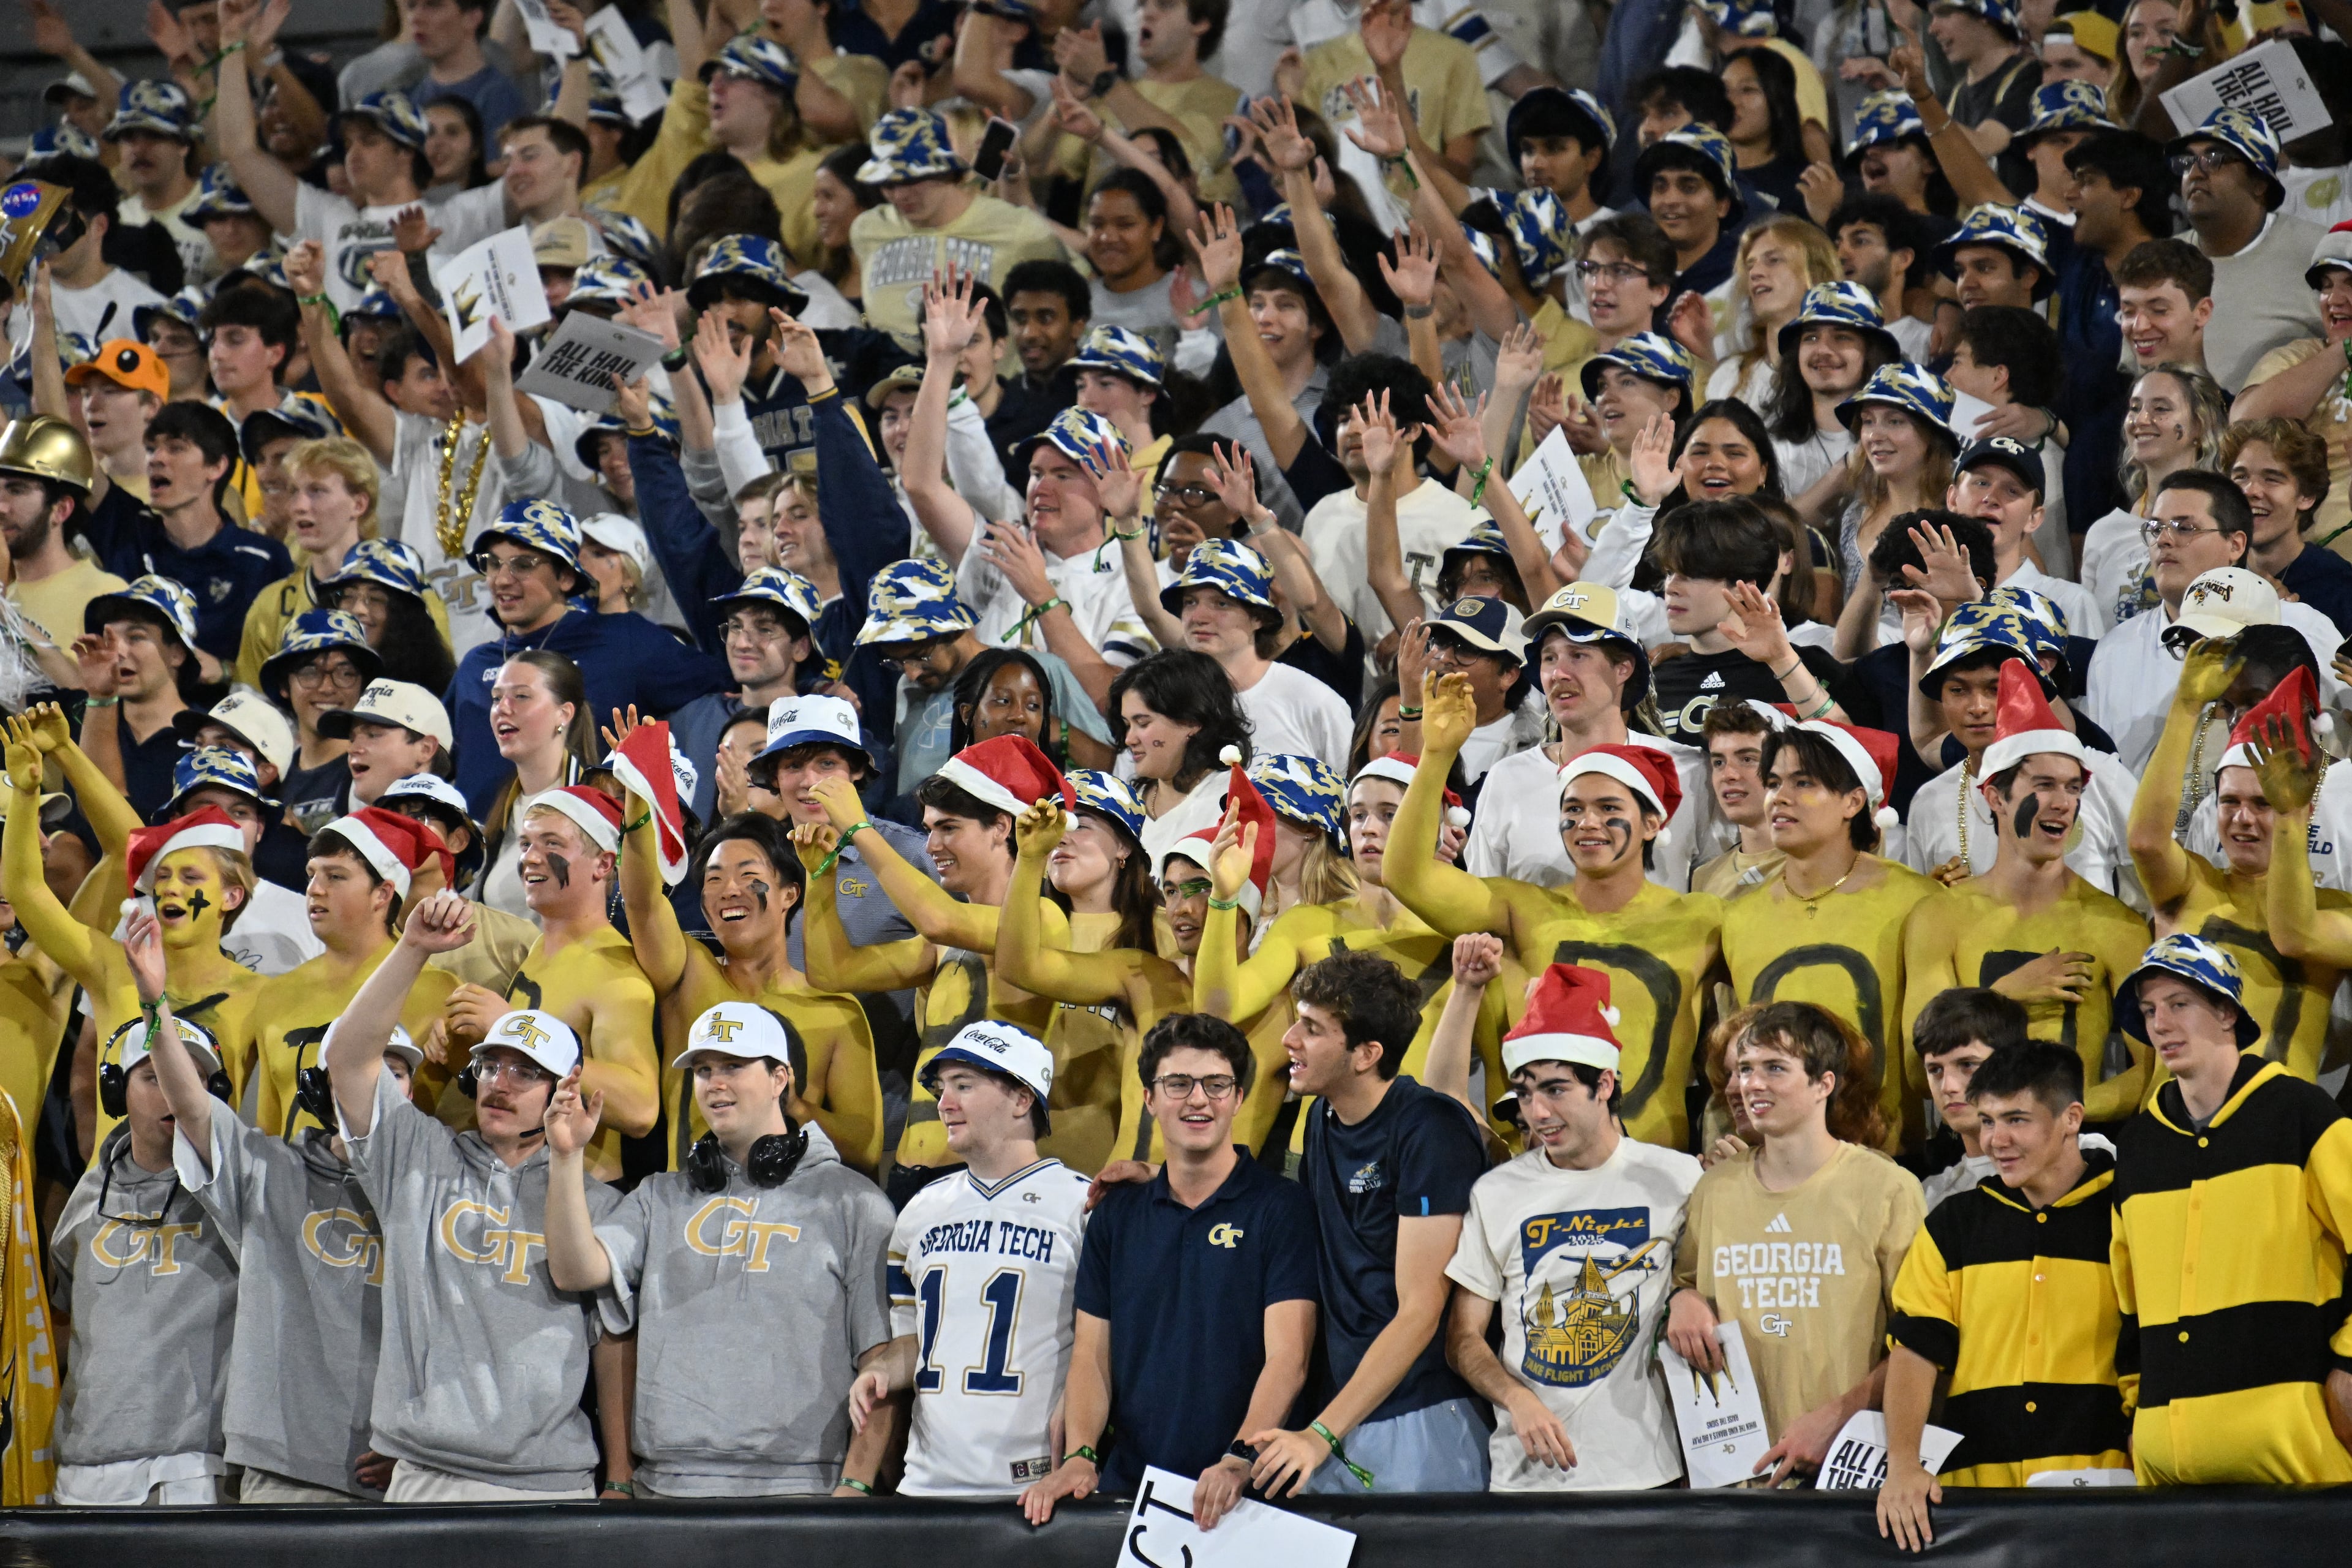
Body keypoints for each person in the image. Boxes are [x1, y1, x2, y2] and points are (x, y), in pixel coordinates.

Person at [323, 894, 621, 1502]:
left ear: (563, 1091)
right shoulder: (418, 1157)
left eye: (525, 1072)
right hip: (423, 1476)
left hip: (548, 1486)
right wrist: (412, 949)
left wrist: (619, 1475)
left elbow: (614, 1341)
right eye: (490, 1066)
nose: (500, 1084)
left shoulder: (602, 1204)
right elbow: (348, 1058)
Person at [540, 1000, 895, 1498]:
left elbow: (882, 1358)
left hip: (803, 1492)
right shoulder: (658, 1197)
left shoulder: (854, 1202)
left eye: (733, 1066)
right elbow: (576, 1271)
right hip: (665, 1490)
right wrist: (565, 1155)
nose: (714, 1083)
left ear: (780, 1079)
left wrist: (855, 1487)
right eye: (704, 1070)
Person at [145, 888, 430, 1503]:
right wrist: (153, 1005)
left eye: (399, 1069)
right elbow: (191, 1106)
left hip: (403, 1471)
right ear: (325, 1084)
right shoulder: (267, 1169)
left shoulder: (437, 1185)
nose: (384, 1080)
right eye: (373, 1063)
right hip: (287, 1472)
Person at [1389, 673, 1723, 1151]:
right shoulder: (1523, 908)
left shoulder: (1704, 919)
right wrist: (1437, 756)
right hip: (1536, 1172)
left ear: (1652, 823)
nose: (1588, 823)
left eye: (1609, 808)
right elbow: (1408, 876)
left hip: (1656, 1180)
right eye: (1574, 808)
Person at [1018, 1012, 1317, 1525]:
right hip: (1131, 1493)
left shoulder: (1281, 1208)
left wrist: (1238, 1458)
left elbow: (1289, 1359)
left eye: (1217, 1084)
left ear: (1239, 1098)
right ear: (1150, 1098)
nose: (1198, 1099)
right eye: (1178, 1084)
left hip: (1245, 1497)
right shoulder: (1116, 1214)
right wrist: (1081, 1455)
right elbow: (1091, 1353)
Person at [1443, 962, 1700, 1491]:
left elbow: (1710, 1285)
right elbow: (1463, 1338)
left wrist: (1689, 1296)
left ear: (1603, 1083)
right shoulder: (1496, 1193)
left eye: (1556, 1090)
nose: (1537, 1112)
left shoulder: (1677, 1178)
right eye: (1526, 1093)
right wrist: (1517, 1399)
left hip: (1650, 1475)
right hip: (1529, 1479)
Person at [2106, 934, 2352, 1483]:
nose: (2160, 1025)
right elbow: (2130, 1302)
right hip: (2167, 1463)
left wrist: (2350, 1363)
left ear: (2226, 1013)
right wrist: (2137, 1410)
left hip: (2299, 1461)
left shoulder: (2302, 1114)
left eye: (2179, 1004)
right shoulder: (2140, 1147)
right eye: (2148, 1011)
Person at [1245, 951, 1488, 1496]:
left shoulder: (1431, 1127)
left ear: (1366, 1054)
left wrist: (1320, 1434)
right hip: (1340, 1421)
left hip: (1419, 1415)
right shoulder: (1321, 1121)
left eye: (1311, 1028)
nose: (1289, 1039)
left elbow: (1421, 1309)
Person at [1877, 1042, 2129, 1550]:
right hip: (1973, 1506)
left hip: (2106, 1497)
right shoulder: (1952, 1224)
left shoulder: (2132, 1211)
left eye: (2017, 1119)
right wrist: (1903, 1466)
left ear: (2071, 1118)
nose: (1998, 1140)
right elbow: (1916, 1353)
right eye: (1988, 1120)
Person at [798, 735, 1067, 1206]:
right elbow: (832, 972)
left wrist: (860, 828)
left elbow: (939, 917)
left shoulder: (1043, 920)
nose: (932, 845)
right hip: (911, 1175)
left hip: (989, 1178)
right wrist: (819, 877)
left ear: (1001, 827)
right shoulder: (939, 945)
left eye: (948, 829)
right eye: (928, 830)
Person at [1665, 1001, 1926, 1482]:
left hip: (1849, 1472)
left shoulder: (1888, 1189)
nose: (1752, 1084)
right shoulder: (1713, 1191)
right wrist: (1681, 1299)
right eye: (1745, 1070)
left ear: (1824, 1083)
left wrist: (1838, 1417)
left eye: (1774, 1069)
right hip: (1736, 1477)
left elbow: (1923, 1343)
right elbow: (1685, 1288)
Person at [610, 727, 883, 1177]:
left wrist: (794, 1105)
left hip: (789, 1227)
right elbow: (641, 900)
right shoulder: (688, 978)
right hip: (690, 1220)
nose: (728, 890)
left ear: (789, 894)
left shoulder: (837, 1011)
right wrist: (639, 796)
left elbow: (865, 1147)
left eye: (747, 873)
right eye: (713, 880)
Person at [848, 1020, 1091, 1496]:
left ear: (1023, 1100)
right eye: (942, 1089)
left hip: (1035, 1489)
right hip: (925, 1485)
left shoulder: (1083, 1206)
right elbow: (917, 1341)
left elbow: (1104, 1353)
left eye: (965, 1085)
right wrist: (880, 1372)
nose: (944, 1103)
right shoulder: (920, 1210)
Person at [45, 946, 238, 1507]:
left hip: (194, 1469)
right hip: (84, 1468)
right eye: (154, 1077)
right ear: (115, 1090)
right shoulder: (84, 1200)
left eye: (196, 1082)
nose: (179, 1094)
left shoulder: (240, 1189)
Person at [1720, 718, 1943, 1147]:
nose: (1779, 798)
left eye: (1804, 783)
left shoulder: (1918, 901)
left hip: (1891, 1161)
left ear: (1853, 801)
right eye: (1772, 782)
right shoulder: (1738, 917)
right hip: (1773, 1162)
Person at [2135, 649, 2351, 1085]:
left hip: (2275, 1139)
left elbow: (2294, 935)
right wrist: (2185, 708)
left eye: (2263, 804)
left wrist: (2290, 817)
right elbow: (2146, 841)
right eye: (2229, 802)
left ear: (2304, 810)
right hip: (2171, 1130)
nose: (2243, 819)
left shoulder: (2338, 913)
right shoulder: (2191, 889)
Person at [444, 785, 660, 1185]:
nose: (530, 857)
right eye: (525, 843)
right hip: (517, 1185)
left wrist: (515, 1028)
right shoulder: (543, 946)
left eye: (551, 843)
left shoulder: (613, 969)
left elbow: (641, 1108)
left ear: (602, 864)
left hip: (583, 1193)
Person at [990, 782, 1197, 1172]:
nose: (1061, 837)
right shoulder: (1025, 927)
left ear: (1123, 847)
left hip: (1117, 1164)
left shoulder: (1166, 932)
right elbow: (1015, 964)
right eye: (1055, 826)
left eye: (1079, 824)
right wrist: (1030, 858)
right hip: (1020, 1163)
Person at [2087, 473, 2343, 771]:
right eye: (2156, 528)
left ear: (2235, 544)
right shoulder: (2114, 650)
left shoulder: (2305, 629)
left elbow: (2338, 736)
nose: (2164, 540)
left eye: (2185, 528)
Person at [250, 808, 461, 1141]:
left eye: (335, 876)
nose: (314, 889)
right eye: (312, 874)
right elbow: (270, 1131)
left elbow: (469, 1119)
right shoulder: (276, 995)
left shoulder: (440, 992)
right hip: (291, 1187)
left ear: (383, 894)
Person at [81, 401, 292, 665]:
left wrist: (224, 674)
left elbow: (287, 664)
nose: (156, 458)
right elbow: (68, 448)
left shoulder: (263, 561)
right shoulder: (128, 531)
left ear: (216, 467)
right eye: (151, 449)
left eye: (176, 448)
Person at [851, 108, 1069, 342]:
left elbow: (1073, 293)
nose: (899, 195)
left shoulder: (1020, 231)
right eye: (887, 184)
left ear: (946, 170)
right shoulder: (868, 230)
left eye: (911, 180)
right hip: (888, 376)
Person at [1650, 499, 1849, 742]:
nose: (1671, 588)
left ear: (1743, 584)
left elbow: (1850, 748)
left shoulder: (1807, 666)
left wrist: (1783, 662)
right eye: (1670, 573)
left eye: (1692, 575)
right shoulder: (1654, 679)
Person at [2169, 108, 2326, 393]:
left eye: (2214, 160)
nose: (2195, 172)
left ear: (2260, 184)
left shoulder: (2321, 252)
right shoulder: (2161, 262)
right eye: (2188, 161)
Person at [2231, 222, 2352, 554]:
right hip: (2303, 559)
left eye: (2350, 284)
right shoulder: (2296, 359)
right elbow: (2245, 426)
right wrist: (2342, 352)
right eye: (2326, 288)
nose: (2334, 300)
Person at [2222, 418, 2352, 635]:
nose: (2250, 491)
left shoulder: (2338, 587)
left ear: (2307, 496)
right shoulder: (2210, 573)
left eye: (2272, 479)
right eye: (2241, 477)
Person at [2114, 240, 2212, 377]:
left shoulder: (2231, 399)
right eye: (2128, 312)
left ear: (2203, 312)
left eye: (2159, 311)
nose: (2139, 327)